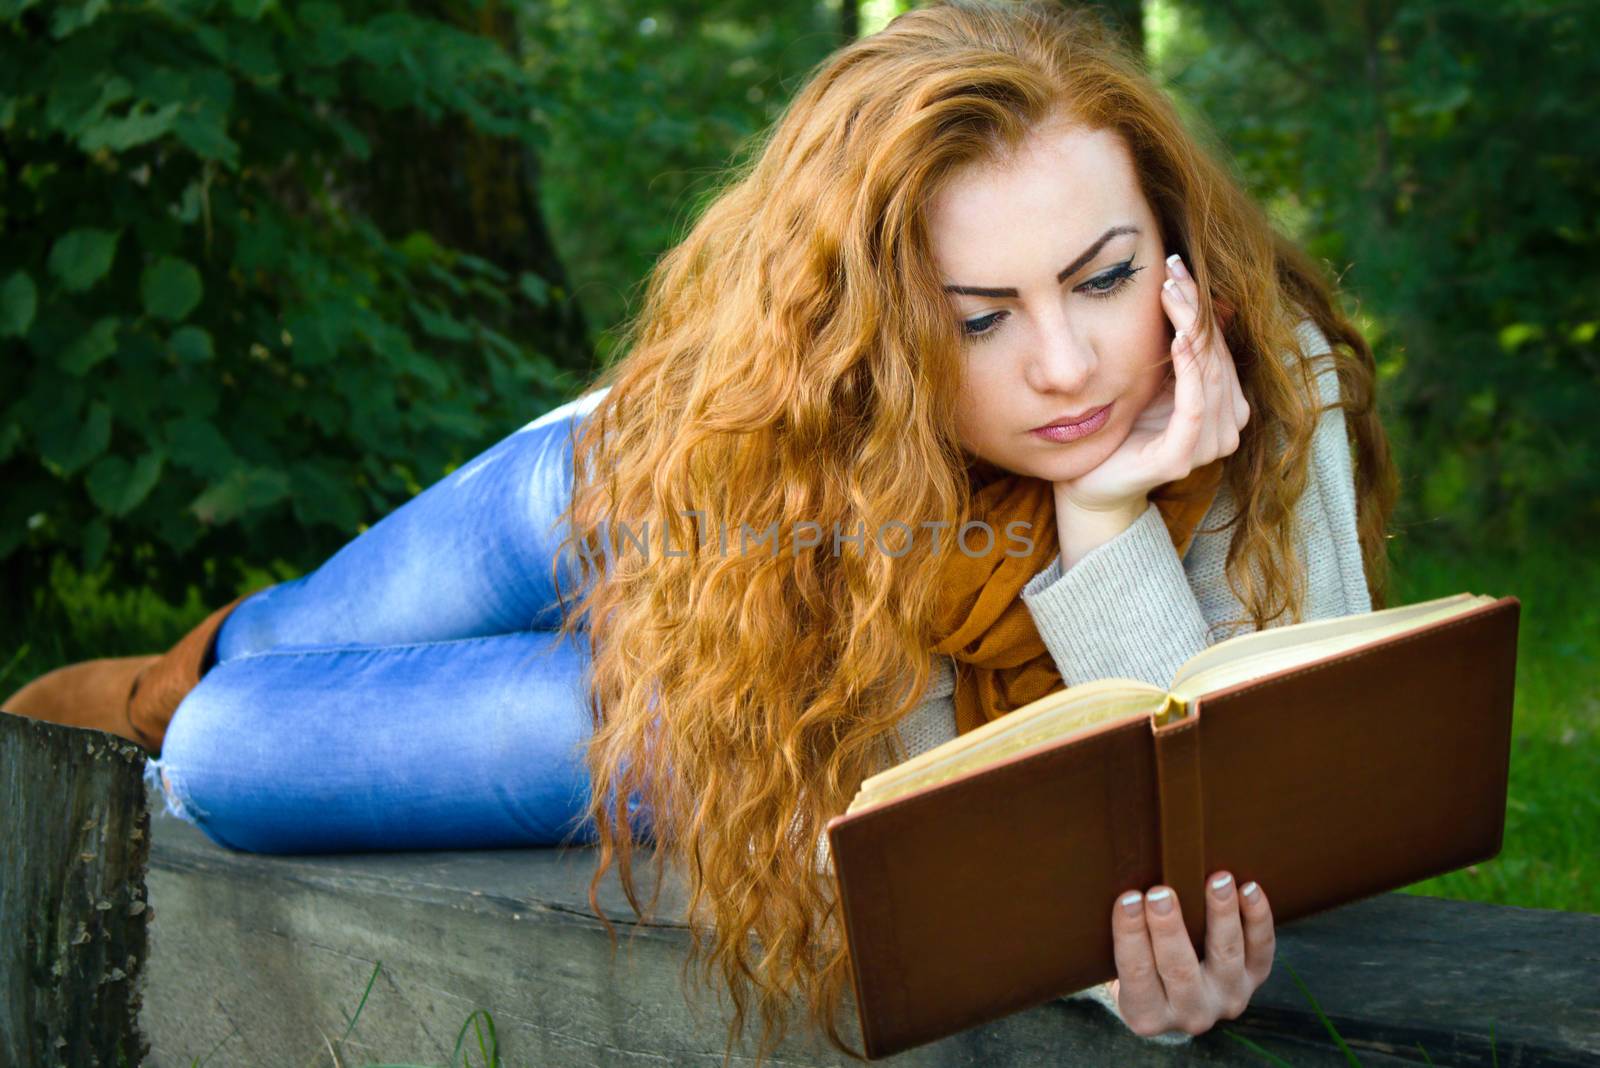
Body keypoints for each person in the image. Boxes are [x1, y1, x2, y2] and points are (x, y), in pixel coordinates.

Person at [2, 0, 1398, 1061]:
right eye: (977, 317)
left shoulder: (1275, 388)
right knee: (261, 659)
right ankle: (136, 685)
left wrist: (1102, 525)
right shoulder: (812, 420)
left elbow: (1203, 806)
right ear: (877, 335)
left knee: (234, 751)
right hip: (646, 492)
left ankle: (180, 715)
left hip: (747, 704)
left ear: (1168, 240)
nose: (1067, 366)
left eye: (1100, 280)